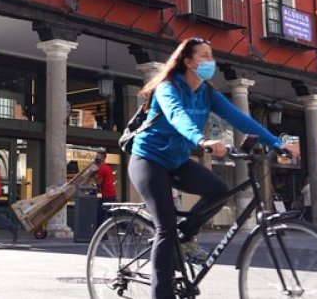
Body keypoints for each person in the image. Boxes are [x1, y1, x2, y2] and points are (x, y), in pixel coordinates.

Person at [129, 38, 296, 299]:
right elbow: (176, 116)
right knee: (165, 227)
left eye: (212, 56)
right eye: (204, 56)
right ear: (188, 61)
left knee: (219, 191)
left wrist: (276, 143)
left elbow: (239, 118)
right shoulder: (167, 88)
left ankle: (183, 237)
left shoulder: (208, 93)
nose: (211, 62)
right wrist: (201, 139)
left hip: (177, 161)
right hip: (148, 160)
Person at [93, 149, 117, 225]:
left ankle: (127, 226)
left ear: (103, 158)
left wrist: (94, 177)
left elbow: (99, 182)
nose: (96, 158)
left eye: (98, 156)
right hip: (110, 194)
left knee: (100, 215)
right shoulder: (108, 167)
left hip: (106, 195)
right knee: (110, 214)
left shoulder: (102, 168)